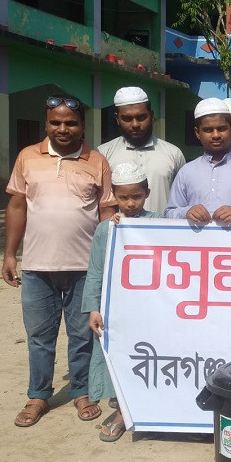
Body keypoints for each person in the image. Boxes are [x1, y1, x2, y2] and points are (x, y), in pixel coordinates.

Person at [3, 95, 116, 428]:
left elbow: (106, 211)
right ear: (46, 123)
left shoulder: (97, 161)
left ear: (82, 126)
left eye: (70, 123)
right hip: (37, 267)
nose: (63, 128)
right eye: (55, 122)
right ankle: (38, 395)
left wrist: (110, 260)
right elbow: (17, 206)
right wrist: (9, 254)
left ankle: (81, 391)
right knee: (39, 337)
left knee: (82, 336)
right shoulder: (27, 157)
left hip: (85, 269)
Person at [82, 162, 161, 441]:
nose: (130, 203)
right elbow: (96, 271)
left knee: (152, 356)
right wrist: (93, 308)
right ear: (113, 195)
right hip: (118, 308)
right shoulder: (107, 229)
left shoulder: (160, 222)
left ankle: (150, 409)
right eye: (123, 197)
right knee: (121, 356)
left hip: (152, 308)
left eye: (136, 196)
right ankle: (122, 411)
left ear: (147, 193)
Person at [165, 98, 231, 223]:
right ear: (197, 133)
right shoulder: (186, 172)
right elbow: (169, 213)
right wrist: (186, 212)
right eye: (208, 130)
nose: (216, 135)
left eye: (222, 129)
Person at [97, 86, 185, 214]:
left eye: (141, 117)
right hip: (119, 227)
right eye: (127, 118)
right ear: (117, 119)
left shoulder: (173, 154)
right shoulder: (103, 153)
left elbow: (182, 200)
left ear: (152, 116)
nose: (135, 124)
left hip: (162, 226)